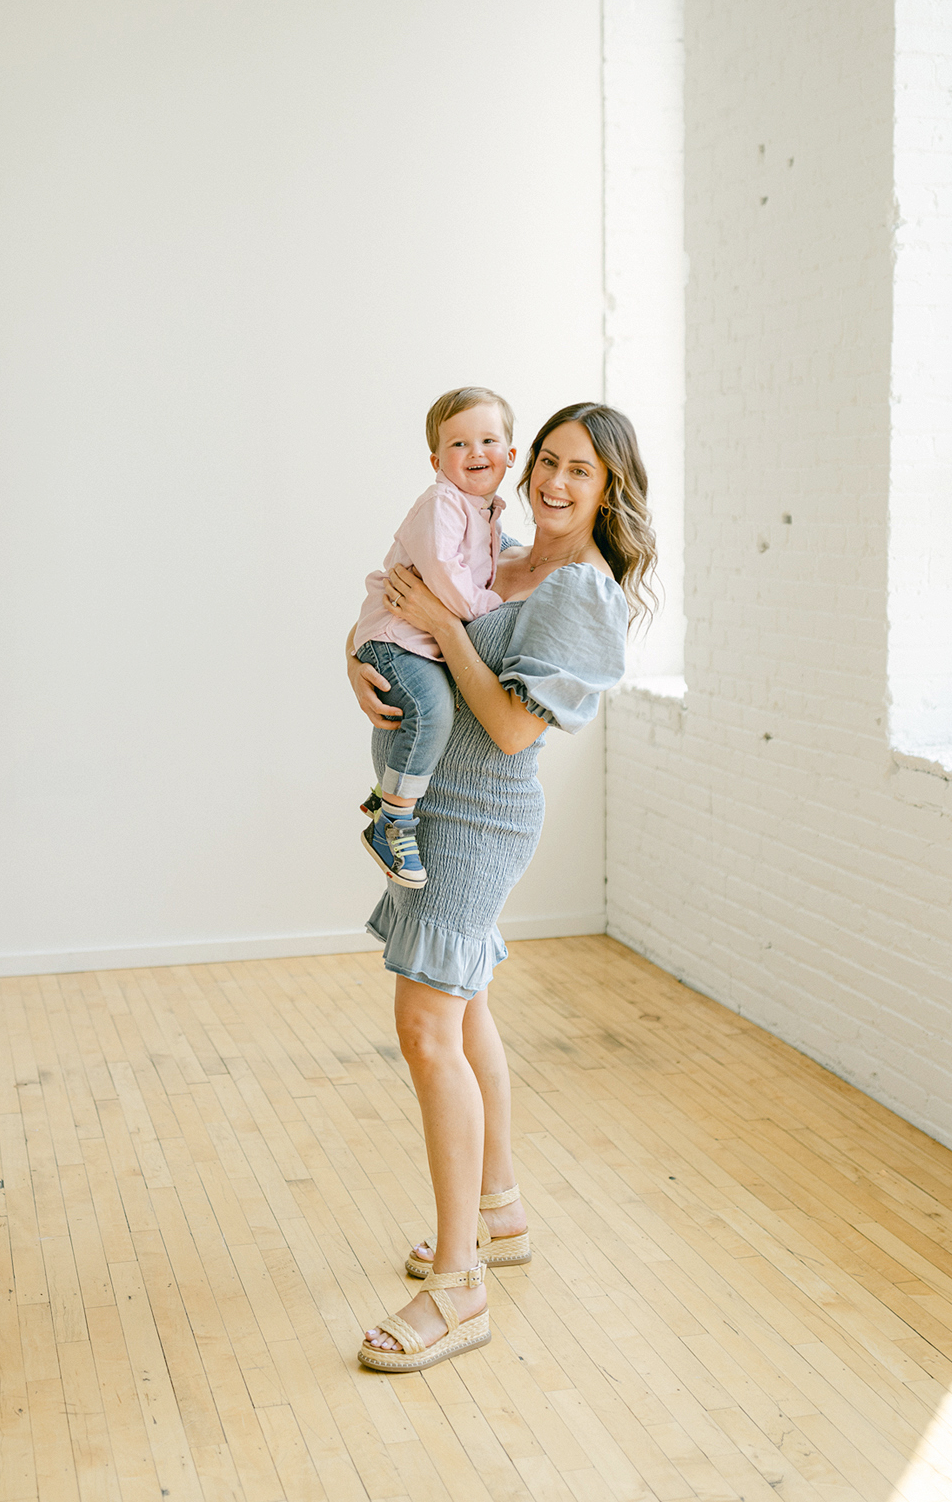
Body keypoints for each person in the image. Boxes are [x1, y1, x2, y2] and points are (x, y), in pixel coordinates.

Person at [348, 402, 657, 1373]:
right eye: (549, 463)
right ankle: (501, 1214)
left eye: (584, 474)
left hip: (481, 819)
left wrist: (445, 626)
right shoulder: (500, 550)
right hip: (436, 802)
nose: (557, 485)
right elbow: (398, 617)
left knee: (427, 1028)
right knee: (467, 1006)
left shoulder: (578, 589)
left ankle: (459, 1286)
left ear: (612, 492)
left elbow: (519, 729)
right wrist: (359, 659)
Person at [353, 387, 517, 888]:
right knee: (430, 711)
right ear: (435, 460)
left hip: (410, 640)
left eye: (488, 440)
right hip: (396, 639)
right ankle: (392, 822)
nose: (475, 453)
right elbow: (446, 578)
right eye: (458, 445)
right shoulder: (443, 504)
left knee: (432, 708)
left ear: (510, 455)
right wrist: (489, 607)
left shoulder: (486, 513)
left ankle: (389, 796)